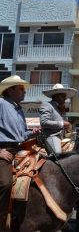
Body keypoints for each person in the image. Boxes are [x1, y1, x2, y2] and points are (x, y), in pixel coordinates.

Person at [0, 75, 40, 229]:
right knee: (5, 183)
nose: (24, 92)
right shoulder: (1, 104)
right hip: (4, 150)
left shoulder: (19, 109)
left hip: (20, 148)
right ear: (10, 90)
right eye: (21, 89)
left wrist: (32, 133)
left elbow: (22, 134)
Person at [39, 83, 77, 154]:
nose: (65, 98)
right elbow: (44, 122)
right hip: (52, 136)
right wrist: (62, 123)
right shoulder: (47, 105)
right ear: (57, 96)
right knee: (58, 154)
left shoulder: (61, 108)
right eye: (63, 96)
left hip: (63, 137)